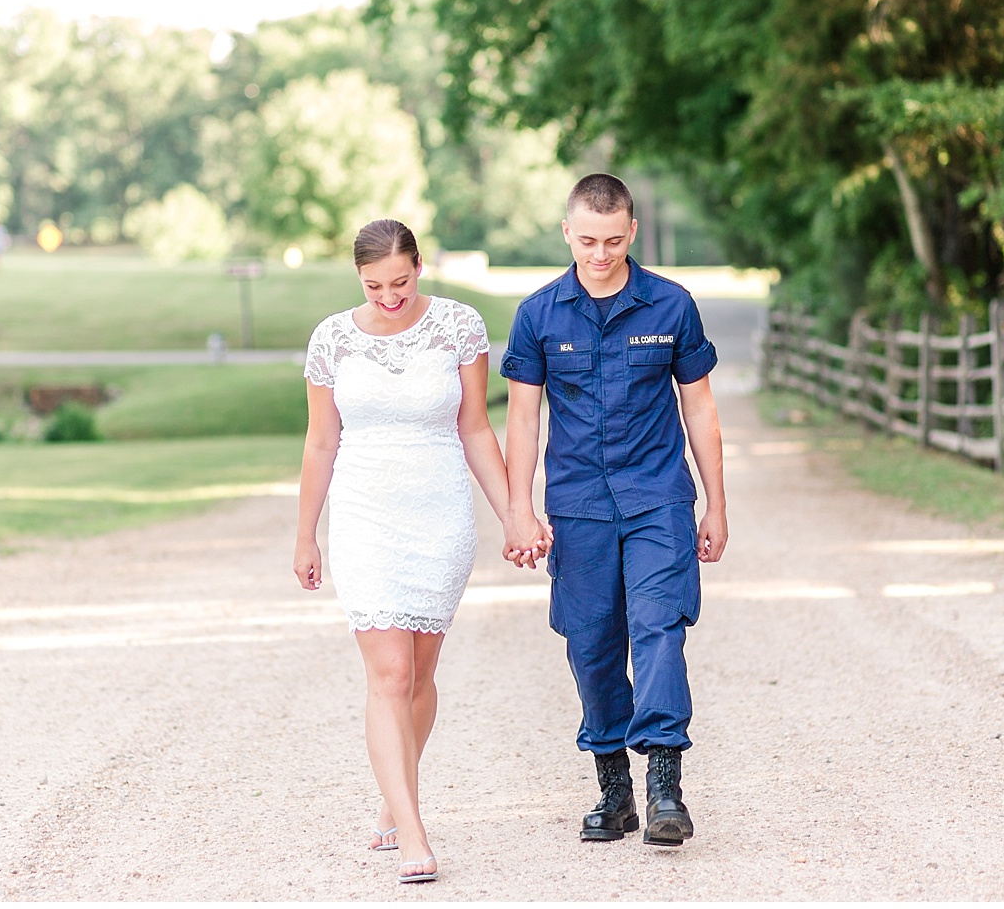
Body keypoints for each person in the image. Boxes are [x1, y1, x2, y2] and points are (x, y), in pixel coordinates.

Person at [295, 219, 549, 884]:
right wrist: (305, 533)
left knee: (420, 675)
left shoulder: (460, 327)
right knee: (390, 676)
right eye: (374, 285)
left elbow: (474, 427)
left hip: (438, 511)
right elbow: (321, 443)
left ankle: (391, 795)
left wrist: (516, 515)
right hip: (364, 514)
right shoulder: (331, 339)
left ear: (420, 267)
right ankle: (412, 834)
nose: (388, 296)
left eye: (400, 281)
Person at [500, 173, 728, 848]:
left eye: (613, 240)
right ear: (567, 233)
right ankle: (614, 789)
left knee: (659, 626)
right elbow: (521, 417)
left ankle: (665, 785)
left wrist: (717, 501)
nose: (600, 254)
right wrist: (518, 507)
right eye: (587, 240)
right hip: (579, 506)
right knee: (593, 642)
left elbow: (701, 406)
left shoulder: (672, 305)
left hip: (658, 496)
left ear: (632, 232)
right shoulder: (539, 314)